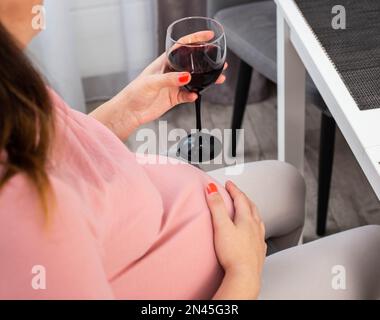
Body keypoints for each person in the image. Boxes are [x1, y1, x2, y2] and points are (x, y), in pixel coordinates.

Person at [1, 0, 380, 300]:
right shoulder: (21, 213)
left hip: (161, 227)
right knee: (373, 249)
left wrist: (126, 110)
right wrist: (243, 276)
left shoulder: (10, 83)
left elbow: (61, 153)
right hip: (223, 288)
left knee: (287, 181)